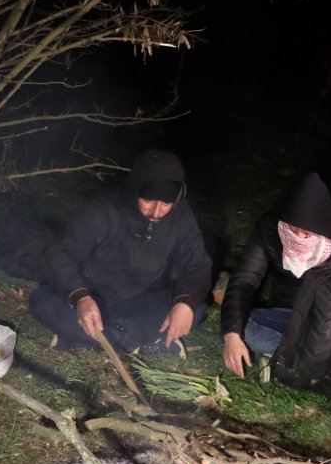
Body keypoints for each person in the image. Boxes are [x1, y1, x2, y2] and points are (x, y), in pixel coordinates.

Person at [220, 172, 331, 398]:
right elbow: (244, 279)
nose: (299, 237)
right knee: (238, 329)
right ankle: (302, 356)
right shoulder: (269, 226)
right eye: (293, 230)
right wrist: (232, 335)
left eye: (307, 233)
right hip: (287, 314)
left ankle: (289, 356)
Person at [28, 149, 212, 355]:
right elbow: (61, 253)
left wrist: (185, 304)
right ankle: (136, 341)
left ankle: (96, 337)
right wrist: (80, 297)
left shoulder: (181, 216)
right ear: (136, 190)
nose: (156, 212)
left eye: (166, 204)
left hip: (140, 301)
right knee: (41, 300)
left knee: (193, 309)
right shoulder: (107, 207)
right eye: (148, 201)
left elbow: (197, 263)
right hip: (94, 299)